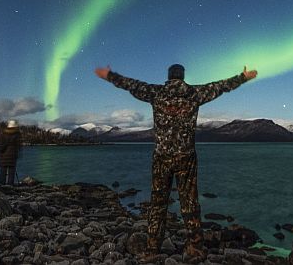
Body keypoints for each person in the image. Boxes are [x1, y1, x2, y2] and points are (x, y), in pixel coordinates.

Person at [95, 63, 258, 263]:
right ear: (182, 77)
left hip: (161, 158)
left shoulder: (156, 92)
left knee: (157, 204)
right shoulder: (194, 93)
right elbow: (222, 86)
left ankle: (152, 249)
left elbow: (132, 85)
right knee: (189, 203)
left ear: (169, 77)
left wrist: (110, 75)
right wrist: (243, 77)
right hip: (186, 157)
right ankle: (195, 248)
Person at [0, 119, 22, 185]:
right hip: (13, 155)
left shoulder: (3, 134)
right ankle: (10, 185)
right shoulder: (17, 134)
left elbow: (1, 145)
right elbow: (19, 146)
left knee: (3, 171)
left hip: (4, 156)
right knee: (11, 171)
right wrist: (18, 154)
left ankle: (2, 185)